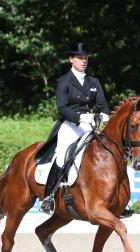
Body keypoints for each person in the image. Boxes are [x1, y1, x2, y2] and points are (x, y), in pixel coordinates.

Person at [40, 43, 132, 218]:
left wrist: (105, 115)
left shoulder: (93, 82)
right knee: (62, 154)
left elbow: (103, 104)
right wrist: (79, 117)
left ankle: (119, 200)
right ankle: (49, 196)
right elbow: (61, 107)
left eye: (85, 58)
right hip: (70, 125)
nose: (83, 61)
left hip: (90, 126)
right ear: (71, 59)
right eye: (80, 58)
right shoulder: (64, 81)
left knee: (110, 153)